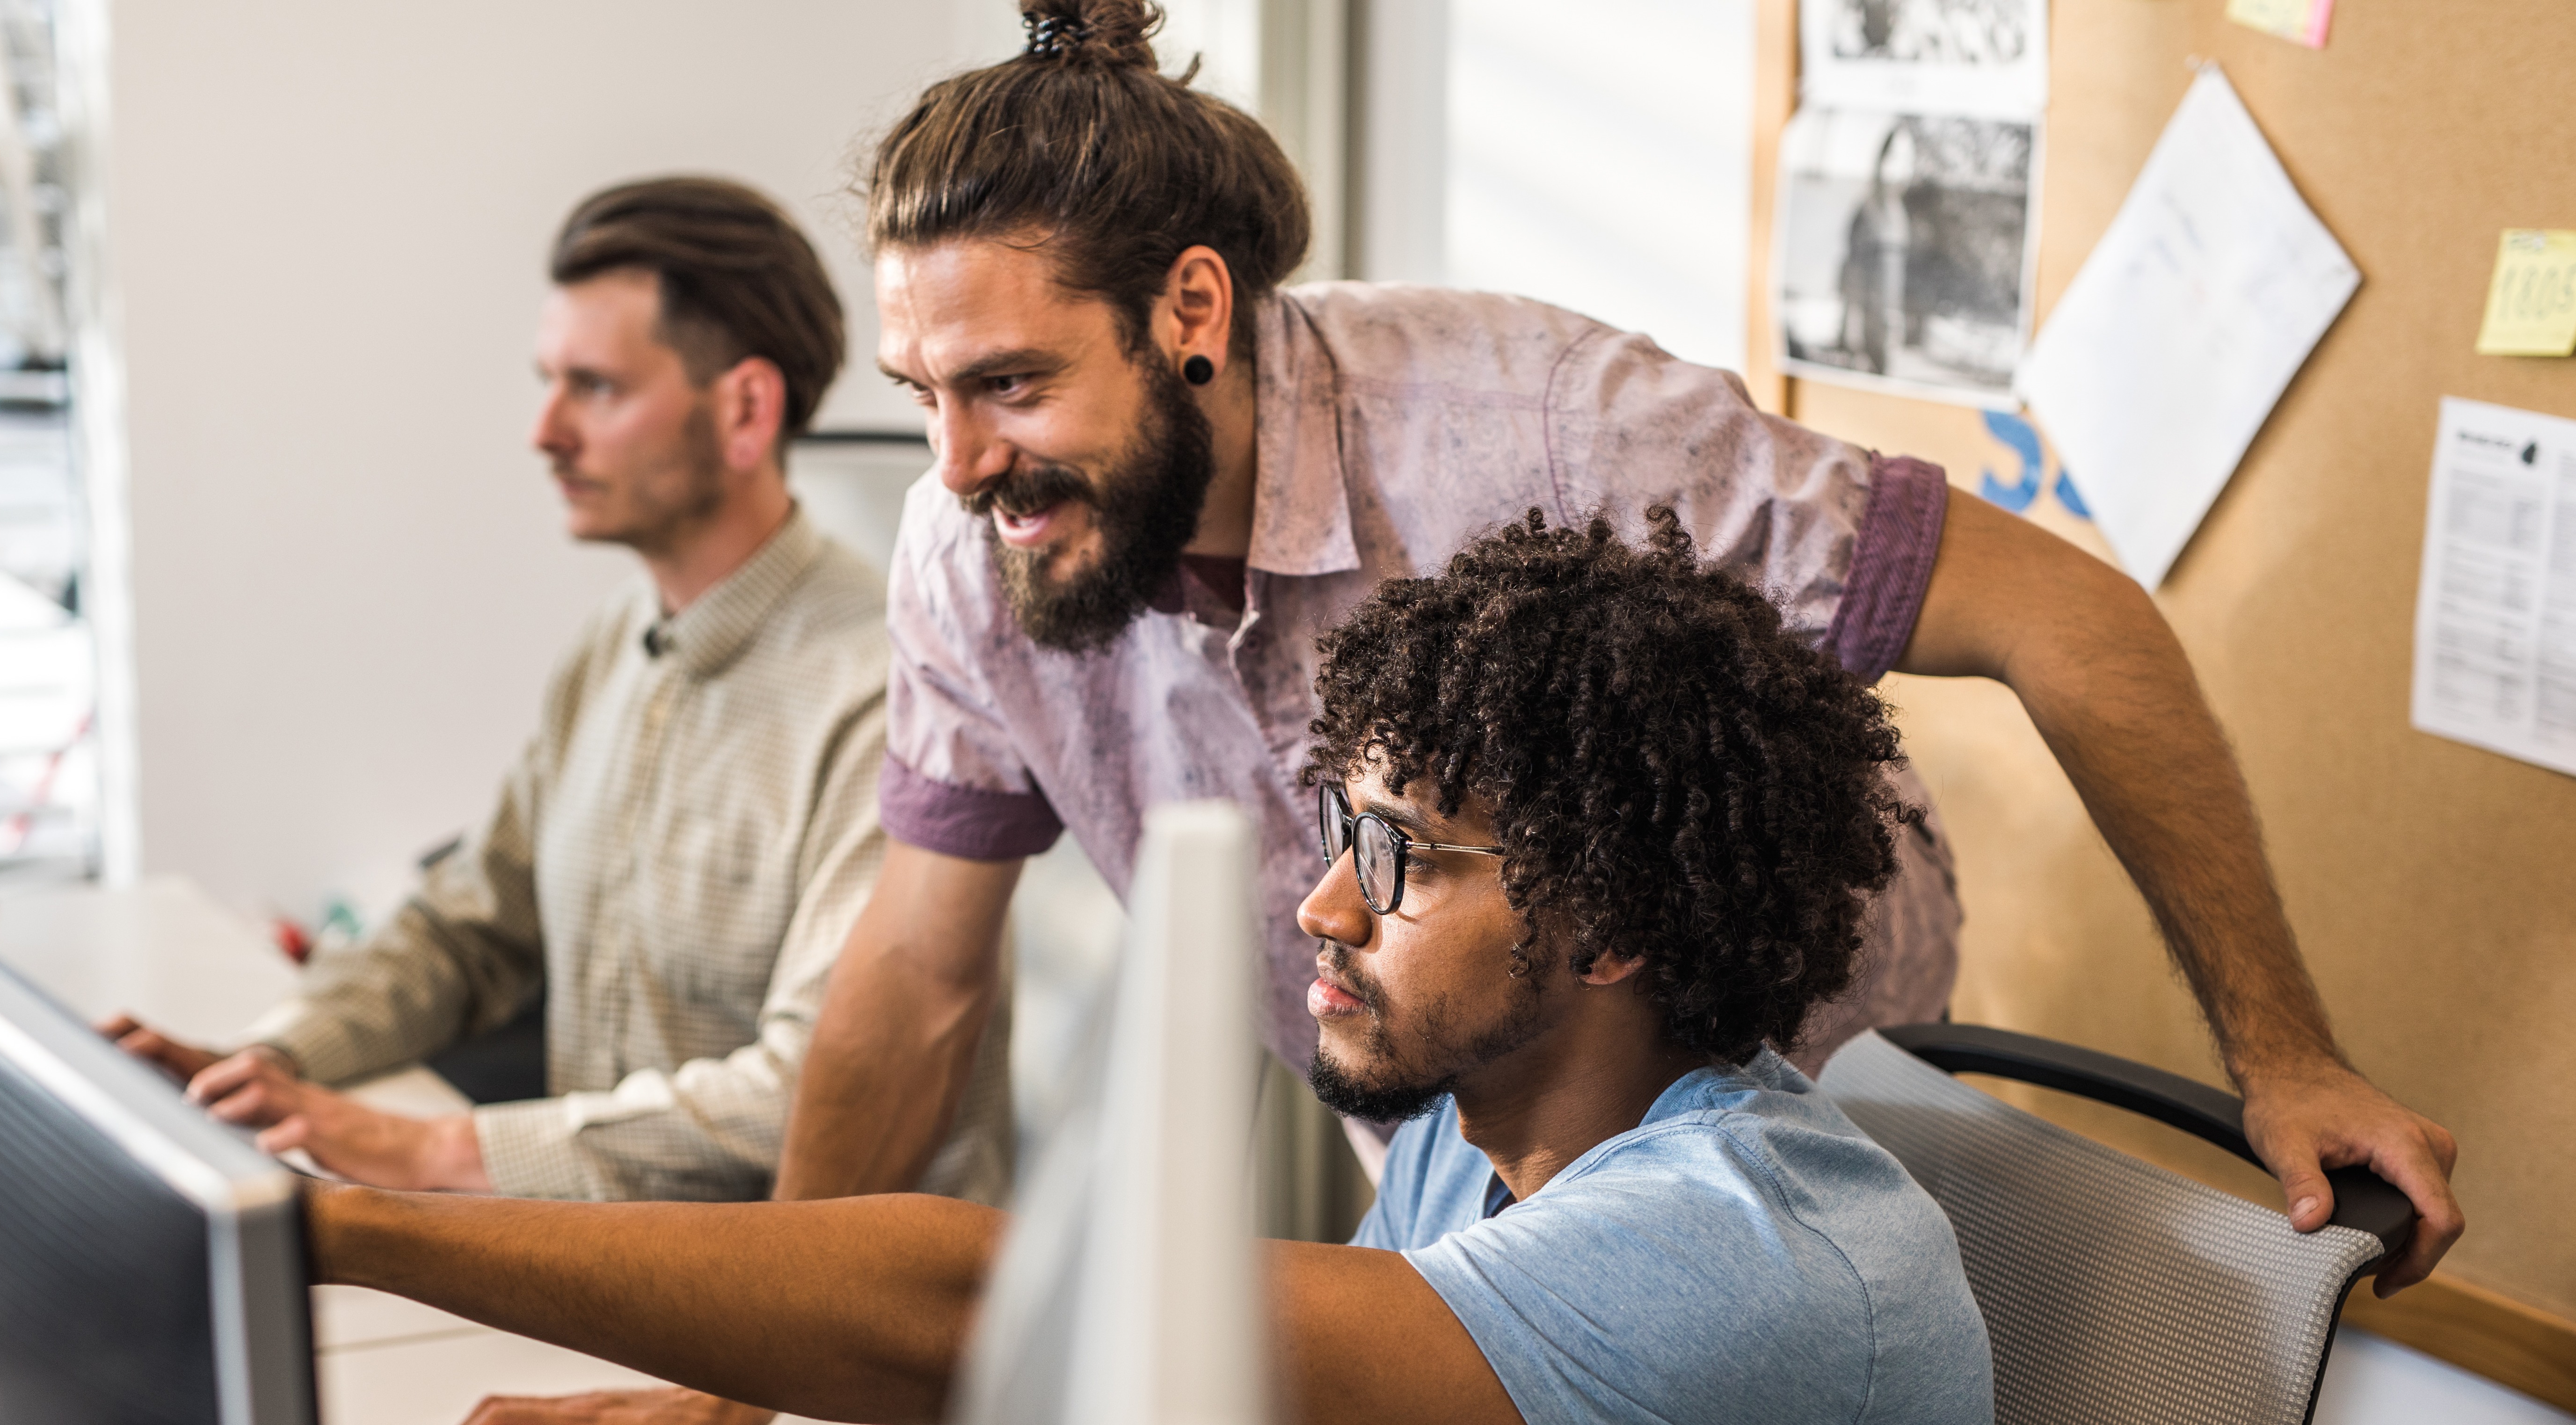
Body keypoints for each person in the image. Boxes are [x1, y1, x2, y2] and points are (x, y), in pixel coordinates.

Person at [790, 0, 2458, 1284]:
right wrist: (749, 1350)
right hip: (1458, 1138)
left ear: (1193, 313)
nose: (955, 467)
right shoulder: (975, 551)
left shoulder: (1544, 428)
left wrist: (2286, 1055)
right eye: (921, 395)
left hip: (1781, 1125)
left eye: (1012, 385)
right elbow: (922, 972)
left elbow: (2069, 616)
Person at [306, 512, 1996, 1425]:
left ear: (1615, 917)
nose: (1324, 904)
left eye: (1400, 851)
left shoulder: (1731, 1253)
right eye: (1343, 821)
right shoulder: (1475, 1121)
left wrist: (346, 1231)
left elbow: (976, 1302)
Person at [101, 176, 1009, 1208]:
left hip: (790, 1318)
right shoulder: (614, 645)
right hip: (605, 1270)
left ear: (746, 409)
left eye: (597, 387)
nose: (546, 430)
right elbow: (471, 926)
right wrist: (272, 1061)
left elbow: (807, 1093)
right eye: (550, 381)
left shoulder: (889, 685)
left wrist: (429, 1149)